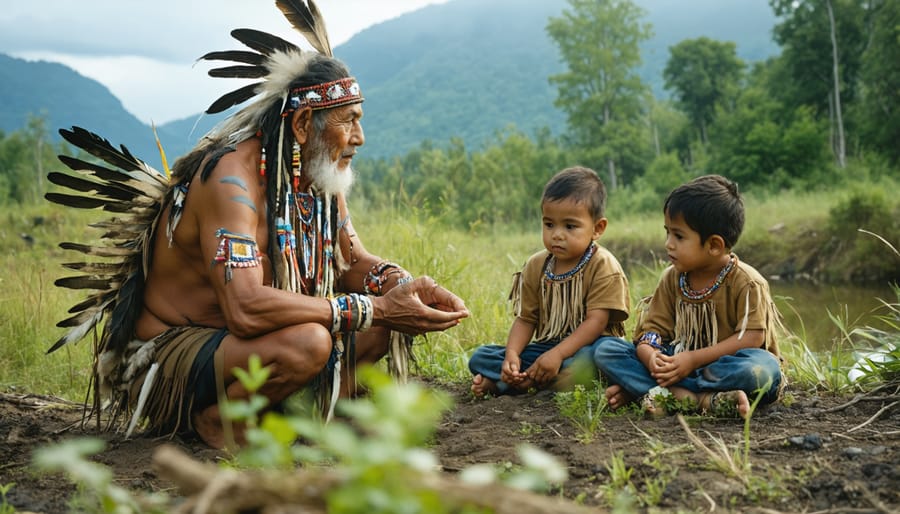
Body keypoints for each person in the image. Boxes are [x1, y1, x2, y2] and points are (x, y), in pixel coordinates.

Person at [47, 1, 468, 449]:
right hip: (178, 354)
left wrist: (401, 286)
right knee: (314, 340)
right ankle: (219, 421)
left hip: (250, 347)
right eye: (349, 121)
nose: (359, 137)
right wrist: (373, 308)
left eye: (359, 121)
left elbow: (353, 261)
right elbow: (245, 309)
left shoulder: (318, 174)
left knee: (380, 321)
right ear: (303, 124)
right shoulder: (231, 181)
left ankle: (317, 417)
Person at [594, 175, 783, 418]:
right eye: (667, 233)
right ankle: (698, 400)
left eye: (679, 236)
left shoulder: (747, 282)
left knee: (760, 370)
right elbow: (652, 332)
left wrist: (692, 360)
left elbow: (752, 338)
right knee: (607, 350)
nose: (668, 244)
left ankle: (653, 391)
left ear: (714, 245)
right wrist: (651, 357)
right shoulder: (672, 278)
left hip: (721, 367)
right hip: (676, 363)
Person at [468, 167, 631, 397]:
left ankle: (516, 384)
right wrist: (512, 356)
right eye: (549, 224)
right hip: (548, 348)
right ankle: (530, 379)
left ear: (597, 228)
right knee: (482, 357)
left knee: (600, 356)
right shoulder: (537, 265)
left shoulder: (603, 265)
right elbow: (526, 319)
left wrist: (558, 355)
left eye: (570, 226)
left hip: (590, 347)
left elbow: (596, 323)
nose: (557, 234)